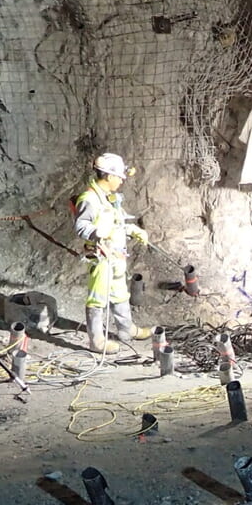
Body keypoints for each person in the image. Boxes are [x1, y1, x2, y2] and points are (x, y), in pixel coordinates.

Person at [74, 151, 152, 355]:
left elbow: (117, 223)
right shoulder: (90, 199)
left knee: (120, 294)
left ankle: (127, 330)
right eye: (119, 177)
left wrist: (132, 230)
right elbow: (81, 225)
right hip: (101, 258)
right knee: (97, 298)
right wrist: (97, 233)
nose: (121, 181)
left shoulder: (110, 199)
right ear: (108, 176)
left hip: (117, 257)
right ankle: (97, 340)